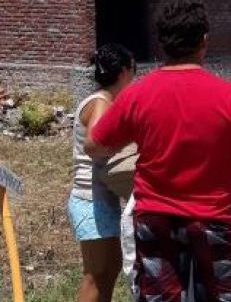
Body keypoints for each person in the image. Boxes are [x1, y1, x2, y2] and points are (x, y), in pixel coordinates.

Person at [85, 1, 231, 302]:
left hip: (156, 219)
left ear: (161, 42)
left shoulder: (138, 94)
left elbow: (94, 146)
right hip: (214, 217)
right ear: (204, 40)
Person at [68, 43, 135, 302]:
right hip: (90, 200)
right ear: (124, 72)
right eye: (133, 70)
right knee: (95, 276)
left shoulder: (103, 101)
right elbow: (95, 144)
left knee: (109, 270)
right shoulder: (101, 102)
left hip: (100, 199)